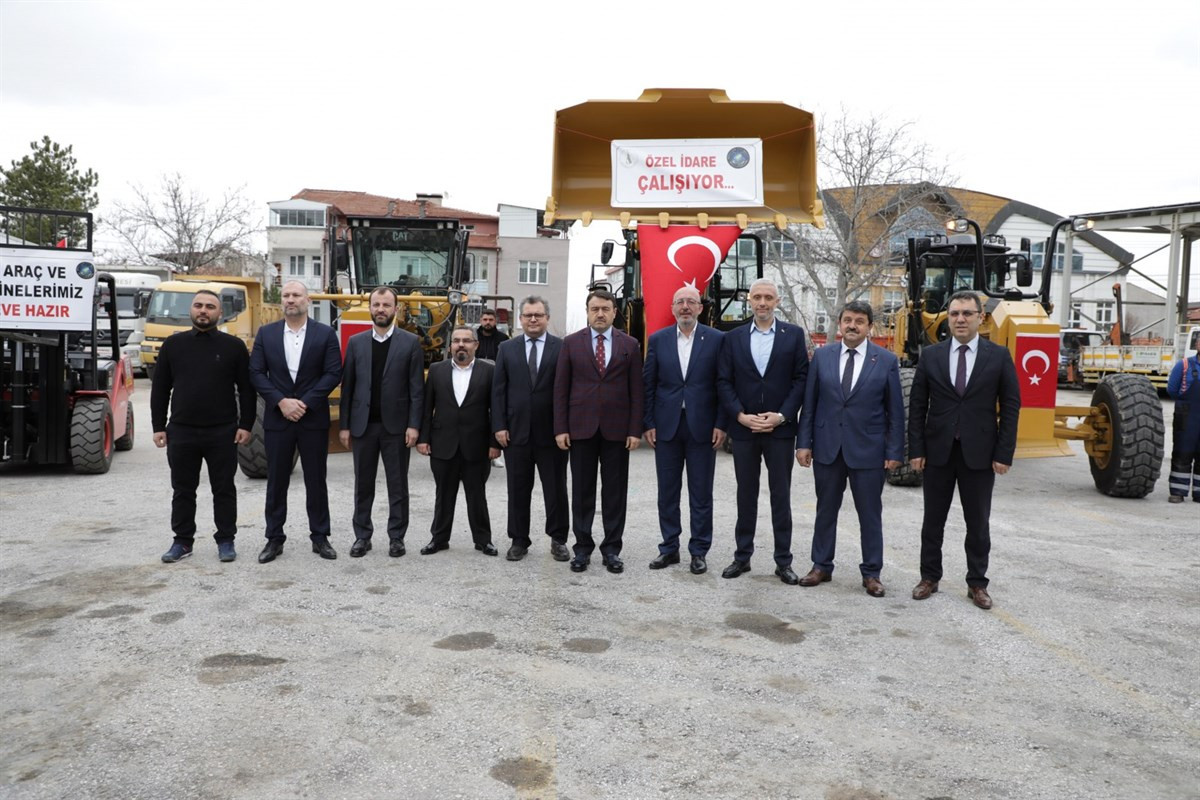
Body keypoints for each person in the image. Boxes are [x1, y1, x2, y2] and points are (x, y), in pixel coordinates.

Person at [908, 290, 1020, 610]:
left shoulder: (998, 356)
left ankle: (977, 583)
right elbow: (917, 406)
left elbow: (1010, 406)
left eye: (967, 313)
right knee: (933, 521)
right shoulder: (931, 355)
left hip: (980, 454)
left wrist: (1003, 453)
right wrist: (916, 449)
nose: (960, 319)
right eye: (955, 313)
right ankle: (929, 577)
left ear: (980, 318)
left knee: (978, 522)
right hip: (938, 452)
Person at [795, 301, 904, 597]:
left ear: (869, 326)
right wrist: (803, 443)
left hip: (869, 451)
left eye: (859, 321)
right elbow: (810, 403)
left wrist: (895, 452)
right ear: (841, 323)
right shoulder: (822, 356)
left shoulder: (885, 360)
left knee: (870, 514)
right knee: (825, 510)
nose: (852, 325)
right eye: (847, 320)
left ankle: (872, 573)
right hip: (827, 448)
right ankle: (821, 566)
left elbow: (895, 411)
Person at [152, 290, 256, 563]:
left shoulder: (233, 347)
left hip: (222, 431)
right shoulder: (173, 345)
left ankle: (226, 540)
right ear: (191, 310)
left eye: (210, 306)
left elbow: (247, 389)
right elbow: (160, 388)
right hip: (181, 431)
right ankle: (182, 541)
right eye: (198, 305)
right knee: (183, 490)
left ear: (220, 313)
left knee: (224, 489)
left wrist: (246, 424)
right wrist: (158, 426)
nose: (203, 310)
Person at [716, 278, 809, 585]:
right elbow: (724, 381)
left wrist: (781, 416)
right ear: (749, 300)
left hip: (779, 431)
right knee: (746, 494)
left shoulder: (793, 335)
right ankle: (742, 557)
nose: (763, 302)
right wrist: (740, 416)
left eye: (769, 297)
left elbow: (801, 379)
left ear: (777, 301)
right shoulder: (733, 337)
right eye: (757, 297)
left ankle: (783, 561)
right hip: (745, 430)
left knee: (780, 496)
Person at [249, 280, 343, 563]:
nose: (291, 299)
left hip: (312, 418)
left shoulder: (325, 334)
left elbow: (333, 372)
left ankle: (320, 537)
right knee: (276, 481)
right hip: (278, 419)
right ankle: (274, 539)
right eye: (286, 295)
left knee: (316, 480)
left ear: (308, 300)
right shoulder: (266, 334)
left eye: (296, 295)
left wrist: (305, 403)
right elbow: (256, 373)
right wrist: (281, 402)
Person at [553, 289, 644, 574]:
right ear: (587, 312)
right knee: (582, 492)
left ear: (615, 312)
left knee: (615, 493)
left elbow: (637, 391)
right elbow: (561, 389)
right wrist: (561, 428)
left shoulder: (630, 344)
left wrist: (635, 429)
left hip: (617, 431)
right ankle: (582, 549)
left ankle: (612, 549)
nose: (600, 314)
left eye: (606, 309)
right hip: (581, 429)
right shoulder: (571, 343)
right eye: (595, 309)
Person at [643, 285, 727, 575]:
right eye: (680, 302)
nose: (685, 307)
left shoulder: (717, 340)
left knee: (701, 494)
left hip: (703, 428)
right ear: (672, 308)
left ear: (700, 308)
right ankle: (669, 548)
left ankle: (699, 551)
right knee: (667, 492)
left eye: (691, 301)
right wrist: (648, 423)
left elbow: (723, 384)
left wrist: (721, 423)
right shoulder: (658, 340)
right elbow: (649, 384)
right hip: (667, 427)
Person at [338, 286, 424, 557]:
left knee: (397, 486)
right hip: (363, 426)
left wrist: (414, 425)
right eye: (376, 304)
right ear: (370, 307)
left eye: (386, 305)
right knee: (363, 485)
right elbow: (348, 387)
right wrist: (344, 425)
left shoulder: (410, 342)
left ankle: (396, 537)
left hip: (396, 428)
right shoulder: (356, 343)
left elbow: (416, 390)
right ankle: (362, 536)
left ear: (396, 309)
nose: (381, 310)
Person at [492, 296, 570, 562]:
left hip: (553, 434)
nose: (533, 319)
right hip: (516, 434)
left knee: (556, 490)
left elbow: (568, 390)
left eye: (538, 315)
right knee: (517, 489)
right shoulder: (506, 348)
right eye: (528, 315)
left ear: (547, 317)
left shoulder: (562, 348)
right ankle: (518, 540)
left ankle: (558, 539)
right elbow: (498, 391)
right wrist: (499, 426)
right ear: (521, 319)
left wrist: (564, 428)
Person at [417, 326, 501, 555]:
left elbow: (496, 409)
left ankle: (483, 540)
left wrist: (494, 443)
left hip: (477, 446)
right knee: (443, 495)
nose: (461, 344)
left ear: (476, 345)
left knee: (477, 496)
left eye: (466, 340)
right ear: (450, 345)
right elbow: (427, 408)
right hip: (443, 444)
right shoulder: (437, 370)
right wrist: (423, 439)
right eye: (456, 341)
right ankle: (439, 539)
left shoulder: (489, 371)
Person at [1166, 351, 1200, 502]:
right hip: (1187, 415)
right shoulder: (1184, 365)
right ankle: (1178, 491)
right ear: (1197, 345)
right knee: (1182, 451)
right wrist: (1185, 402)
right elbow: (1172, 389)